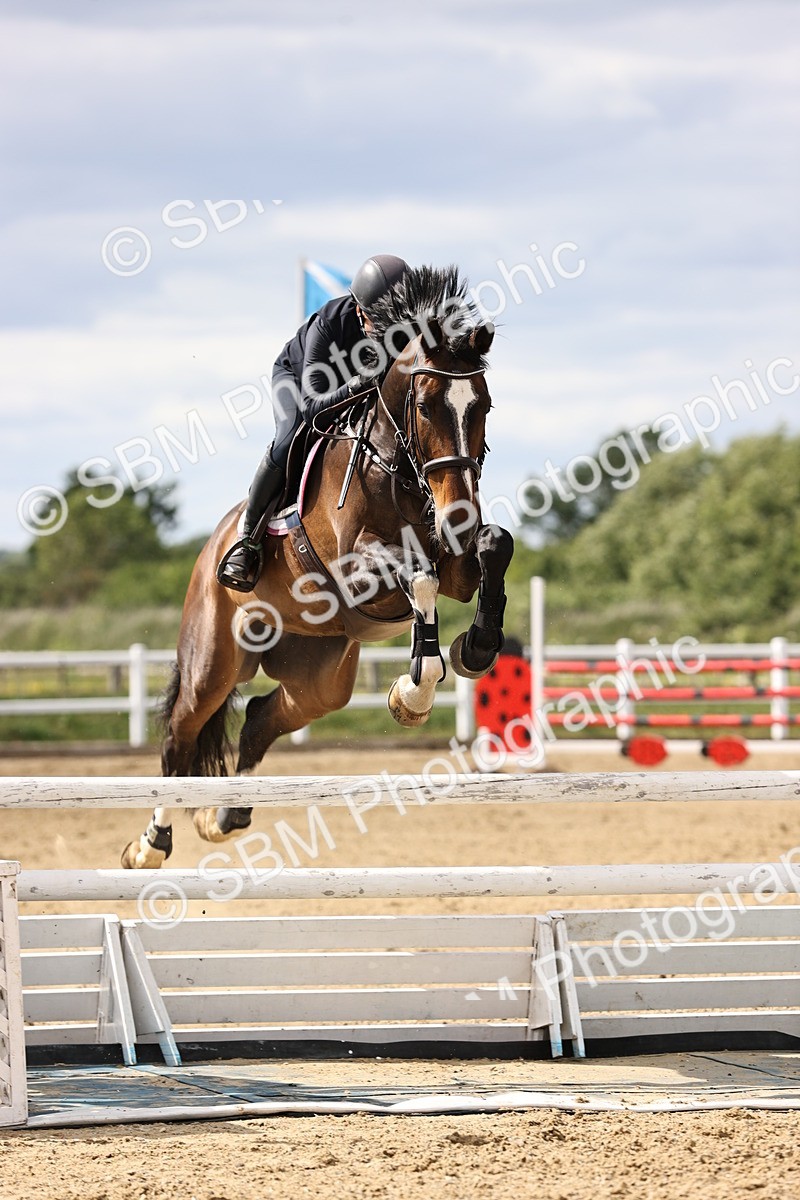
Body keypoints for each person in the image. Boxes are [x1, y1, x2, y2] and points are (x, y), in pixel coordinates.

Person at [217, 254, 409, 592]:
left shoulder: (405, 322)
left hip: (355, 386)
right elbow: (311, 407)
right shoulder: (329, 323)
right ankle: (248, 541)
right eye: (378, 320)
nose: (385, 332)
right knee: (289, 438)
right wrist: (358, 385)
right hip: (298, 382)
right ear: (360, 308)